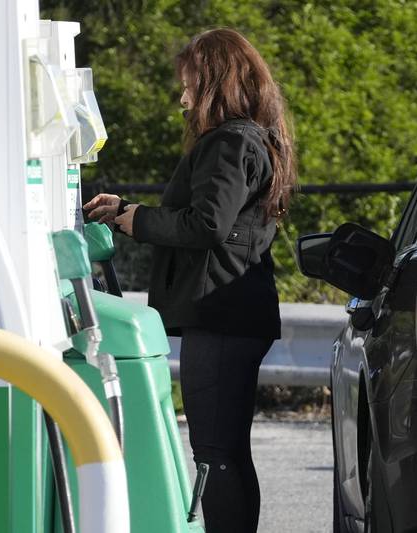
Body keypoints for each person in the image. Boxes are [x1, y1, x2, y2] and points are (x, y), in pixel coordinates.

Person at [83, 28, 297, 532]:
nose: (182, 98)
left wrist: (139, 219)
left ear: (216, 84)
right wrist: (128, 212)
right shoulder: (253, 137)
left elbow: (207, 225)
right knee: (227, 451)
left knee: (217, 452)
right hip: (236, 312)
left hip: (221, 316)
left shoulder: (228, 141)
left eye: (190, 85)